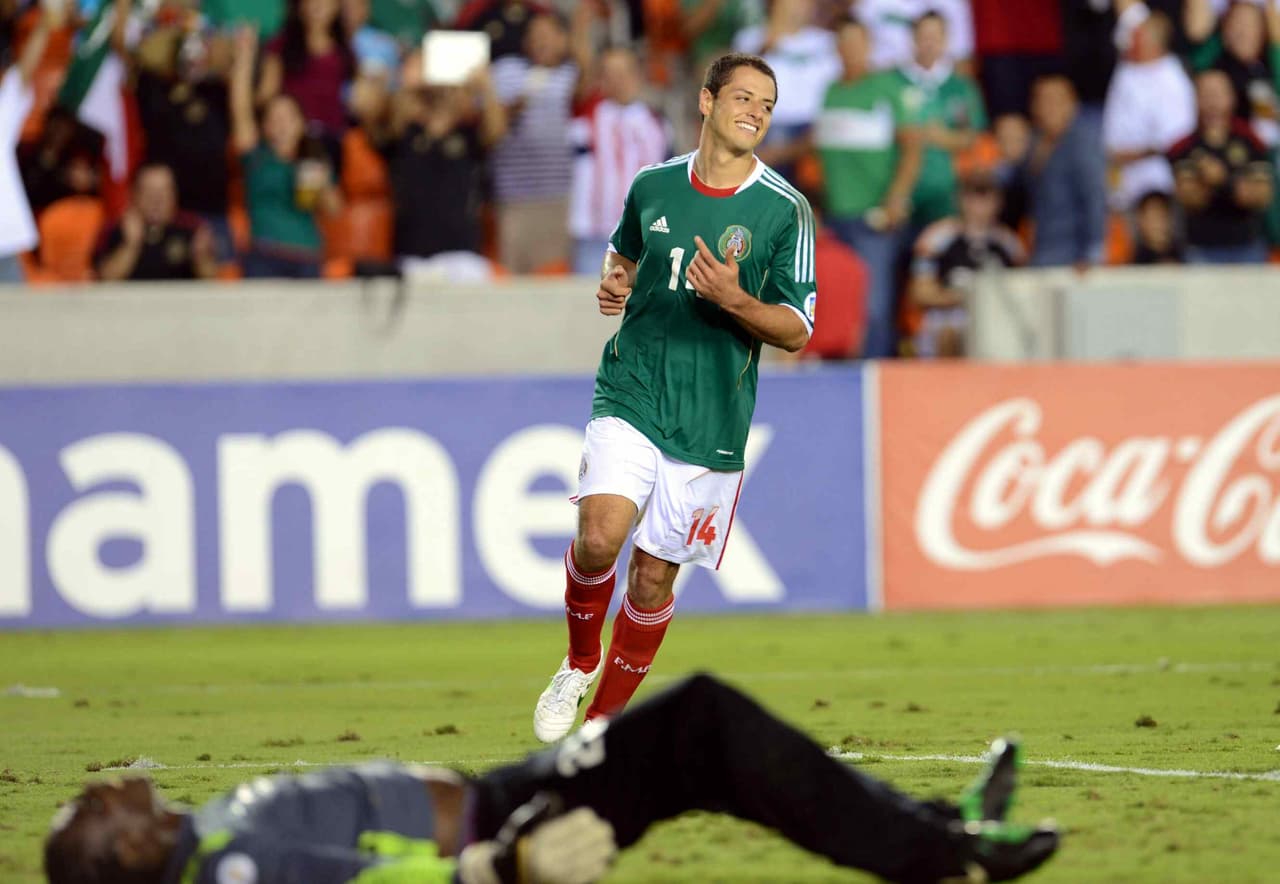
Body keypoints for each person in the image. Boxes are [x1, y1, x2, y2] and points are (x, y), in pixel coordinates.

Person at [44, 674, 1061, 884]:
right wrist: (495, 867)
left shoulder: (214, 835)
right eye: (97, 809)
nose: (109, 788)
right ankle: (945, 846)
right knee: (701, 722)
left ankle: (939, 838)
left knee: (706, 732)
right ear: (121, 854)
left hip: (504, 793)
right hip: (509, 826)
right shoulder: (229, 868)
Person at [531, 53, 817, 743]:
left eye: (767, 104)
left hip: (711, 417)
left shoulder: (783, 210)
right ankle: (576, 663)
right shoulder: (652, 184)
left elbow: (799, 329)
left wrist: (735, 299)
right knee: (599, 536)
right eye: (744, 97)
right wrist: (615, 282)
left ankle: (602, 727)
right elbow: (623, 254)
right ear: (707, 102)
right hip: (633, 387)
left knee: (654, 579)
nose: (756, 111)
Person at [815, 14, 922, 359]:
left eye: (857, 42)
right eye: (843, 43)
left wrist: (896, 199)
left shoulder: (886, 88)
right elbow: (821, 145)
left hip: (873, 217)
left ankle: (875, 382)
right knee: (834, 305)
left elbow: (912, 148)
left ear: (870, 45)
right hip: (835, 218)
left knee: (873, 308)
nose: (850, 50)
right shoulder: (830, 90)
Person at [231, 26, 342, 278]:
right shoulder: (256, 157)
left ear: (301, 124)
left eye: (288, 118)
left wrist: (321, 182)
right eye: (274, 118)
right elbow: (240, 107)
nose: (281, 124)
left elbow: (334, 209)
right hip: (265, 254)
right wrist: (245, 56)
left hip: (308, 256)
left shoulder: (314, 156)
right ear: (265, 126)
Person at [490, 10, 591, 273]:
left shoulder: (570, 75)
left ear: (563, 40)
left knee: (551, 279)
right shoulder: (506, 70)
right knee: (511, 281)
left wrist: (580, 31)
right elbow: (487, 121)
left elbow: (587, 85)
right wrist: (510, 109)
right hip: (513, 198)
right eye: (534, 35)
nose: (540, 41)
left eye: (547, 35)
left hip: (557, 198)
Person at [132, 24, 236, 263]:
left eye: (198, 50)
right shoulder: (155, 90)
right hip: (166, 215)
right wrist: (177, 33)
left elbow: (231, 66)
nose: (193, 57)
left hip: (212, 213)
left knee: (221, 291)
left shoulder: (215, 91)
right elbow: (142, 55)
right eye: (186, 51)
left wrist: (212, 48)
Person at [568, 46, 669, 276]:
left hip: (641, 234)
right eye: (609, 74)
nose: (617, 81)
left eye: (623, 73)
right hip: (595, 234)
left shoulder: (657, 123)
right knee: (587, 303)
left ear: (637, 76)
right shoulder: (587, 116)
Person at [908, 169, 1023, 359]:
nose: (978, 204)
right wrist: (966, 297)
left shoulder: (1009, 244)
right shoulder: (936, 238)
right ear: (960, 199)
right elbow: (919, 293)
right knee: (949, 330)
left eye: (986, 195)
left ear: (999, 201)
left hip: (997, 316)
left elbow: (1022, 293)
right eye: (972, 195)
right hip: (951, 313)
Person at [892, 11, 987, 230]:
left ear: (946, 40)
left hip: (946, 193)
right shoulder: (893, 82)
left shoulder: (961, 87)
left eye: (935, 36)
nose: (929, 43)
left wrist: (942, 137)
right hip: (898, 191)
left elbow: (972, 137)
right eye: (924, 36)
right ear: (913, 38)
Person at [1168, 68, 1274, 263]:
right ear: (1196, 99)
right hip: (1200, 250)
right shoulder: (1185, 146)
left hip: (1247, 248)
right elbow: (1190, 198)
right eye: (1206, 94)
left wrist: (1221, 179)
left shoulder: (1251, 142)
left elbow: (1261, 195)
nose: (1212, 101)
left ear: (1231, 97)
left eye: (1218, 93)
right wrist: (1237, 186)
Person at [731, 0, 840, 184]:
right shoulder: (749, 38)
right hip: (768, 126)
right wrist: (767, 43)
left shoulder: (827, 41)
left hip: (813, 128)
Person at [1102, 2, 1196, 212]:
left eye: (1139, 36)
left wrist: (1127, 156)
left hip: (1156, 184)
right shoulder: (1127, 67)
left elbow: (1176, 140)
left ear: (1157, 41)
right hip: (1118, 180)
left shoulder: (1171, 78)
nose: (1130, 41)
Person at [0, 0, 62, 284]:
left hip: (4, 240)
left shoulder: (4, 109)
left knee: (17, 323)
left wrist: (46, 22)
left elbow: (24, 69)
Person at [1021, 75, 1107, 269]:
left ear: (1072, 105)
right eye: (1041, 100)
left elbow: (1094, 196)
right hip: (1043, 246)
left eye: (1055, 101)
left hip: (1072, 251)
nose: (1047, 107)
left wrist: (1093, 250)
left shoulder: (1082, 142)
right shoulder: (1036, 142)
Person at [94, 163, 218, 282]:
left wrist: (201, 258)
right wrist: (130, 244)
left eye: (163, 192)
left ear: (174, 194)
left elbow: (211, 280)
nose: (157, 200)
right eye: (149, 192)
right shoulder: (116, 229)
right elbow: (104, 279)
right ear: (134, 194)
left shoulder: (192, 228)